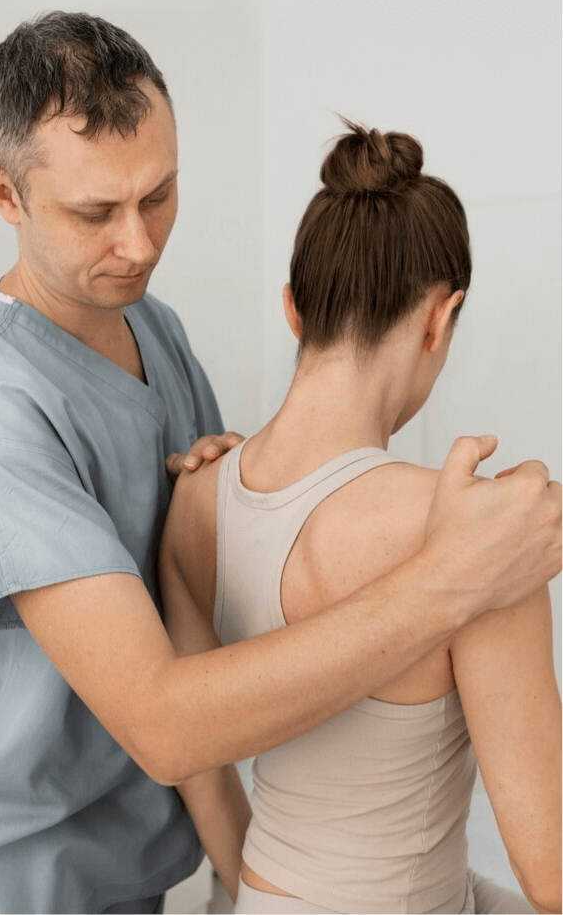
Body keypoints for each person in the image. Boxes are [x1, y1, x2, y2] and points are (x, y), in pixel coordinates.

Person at [0, 13, 560, 915]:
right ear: (3, 194)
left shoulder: (151, 329)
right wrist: (450, 579)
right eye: (96, 213)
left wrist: (249, 887)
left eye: (159, 194)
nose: (140, 244)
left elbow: (232, 588)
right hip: (14, 882)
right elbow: (169, 726)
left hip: (150, 868)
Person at [159, 121, 563, 915]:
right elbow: (552, 871)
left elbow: (199, 764)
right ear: (439, 318)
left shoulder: (195, 498)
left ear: (291, 308)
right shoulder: (477, 538)